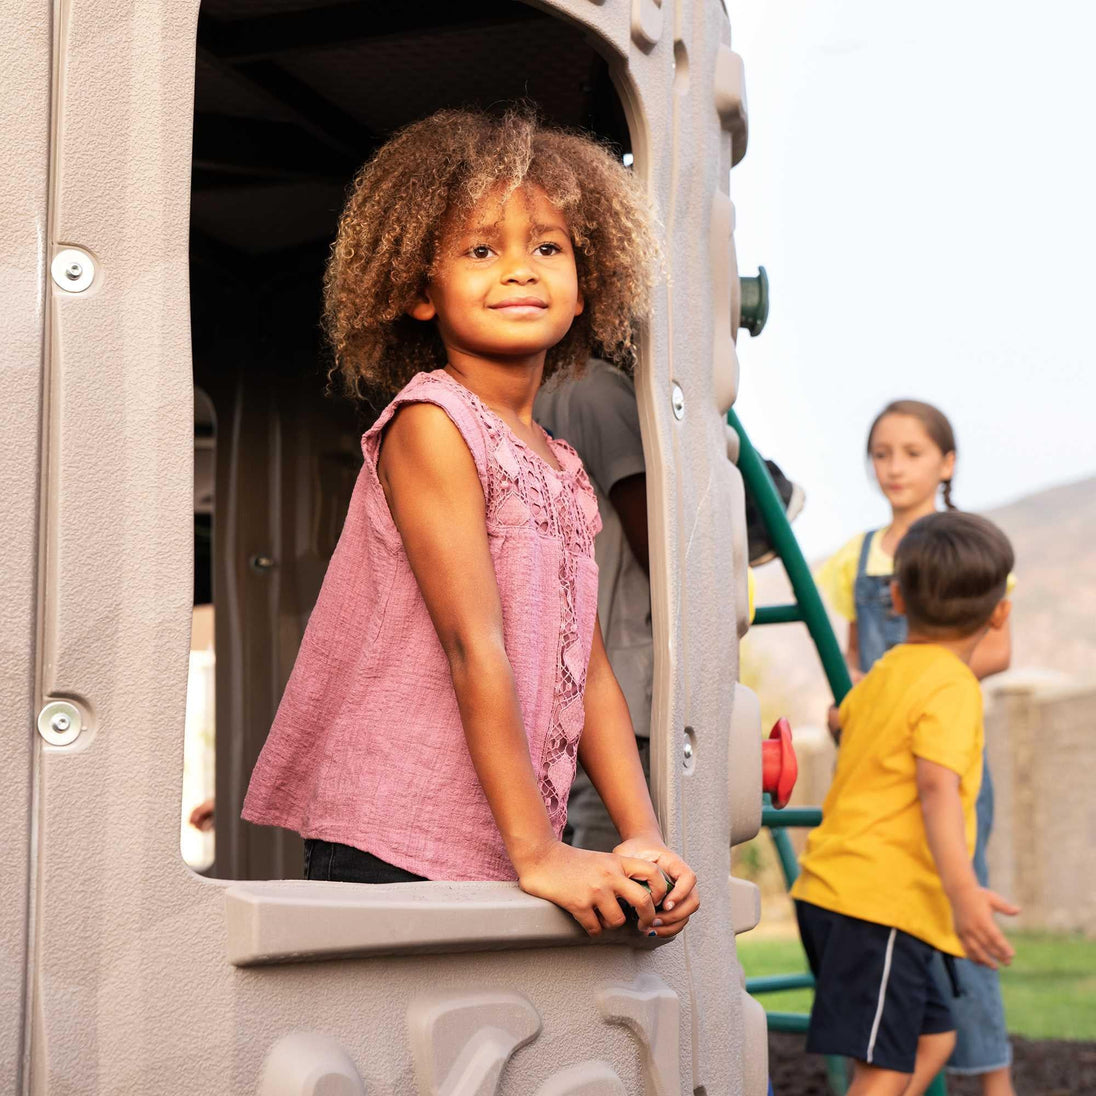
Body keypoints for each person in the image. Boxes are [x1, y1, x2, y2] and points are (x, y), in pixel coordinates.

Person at [240, 109, 699, 940]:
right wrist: (541, 852)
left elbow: (589, 667)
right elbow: (471, 644)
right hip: (396, 831)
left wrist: (643, 835)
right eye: (482, 250)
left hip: (503, 835)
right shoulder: (434, 423)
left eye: (548, 248)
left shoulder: (562, 464)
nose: (519, 269)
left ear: (586, 283)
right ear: (420, 291)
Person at [816, 400, 1016, 1094]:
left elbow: (855, 709)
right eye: (882, 453)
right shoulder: (940, 680)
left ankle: (993, 1078)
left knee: (939, 1017)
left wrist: (887, 701)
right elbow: (858, 669)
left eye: (912, 452)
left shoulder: (899, 673)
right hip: (877, 876)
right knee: (885, 1058)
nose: (894, 467)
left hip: (904, 808)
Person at [535, 360, 800, 850]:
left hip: (588, 686)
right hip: (623, 688)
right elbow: (667, 549)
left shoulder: (549, 397)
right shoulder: (594, 391)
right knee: (613, 859)